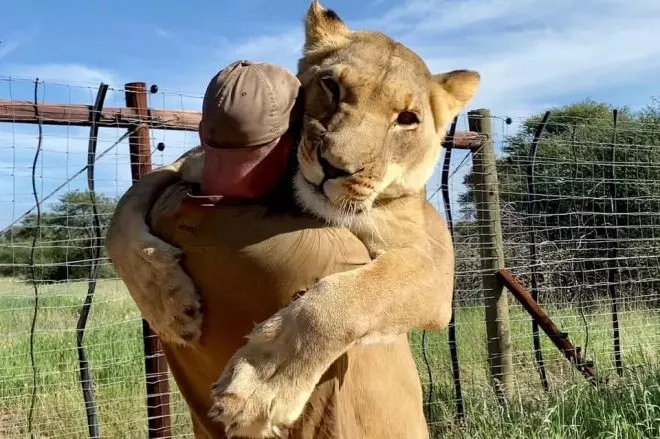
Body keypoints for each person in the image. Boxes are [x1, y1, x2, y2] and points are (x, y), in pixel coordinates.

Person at [109, 60, 427, 438]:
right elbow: (426, 285)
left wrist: (122, 226)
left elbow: (176, 172)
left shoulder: (161, 222)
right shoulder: (328, 251)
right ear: (295, 139)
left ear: (203, 132)